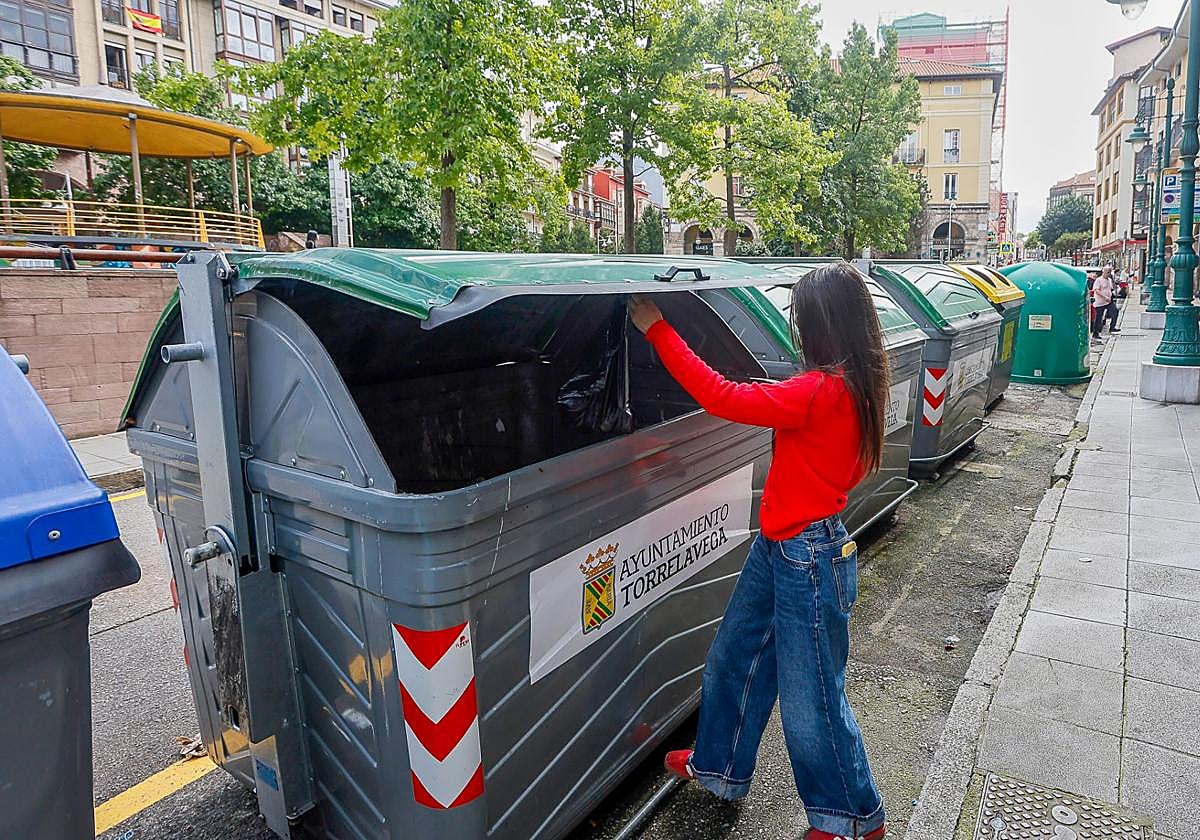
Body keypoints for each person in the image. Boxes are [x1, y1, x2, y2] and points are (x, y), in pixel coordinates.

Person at [626, 261, 888, 840]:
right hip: (785, 547)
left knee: (812, 697)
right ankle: (719, 766)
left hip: (807, 557)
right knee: (733, 657)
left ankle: (852, 818)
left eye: (802, 320)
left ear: (824, 327)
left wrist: (656, 328)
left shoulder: (820, 392)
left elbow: (721, 396)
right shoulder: (857, 384)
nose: (797, 331)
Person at [1092, 266, 1116, 342]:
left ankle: (1112, 328)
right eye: (1107, 272)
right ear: (1103, 272)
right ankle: (1095, 333)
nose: (1108, 274)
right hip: (1100, 302)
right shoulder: (1098, 280)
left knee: (1115, 311)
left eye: (1109, 272)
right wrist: (1105, 297)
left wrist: (1111, 294)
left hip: (1108, 301)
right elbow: (1096, 290)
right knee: (1098, 318)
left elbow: (1110, 289)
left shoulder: (1109, 280)